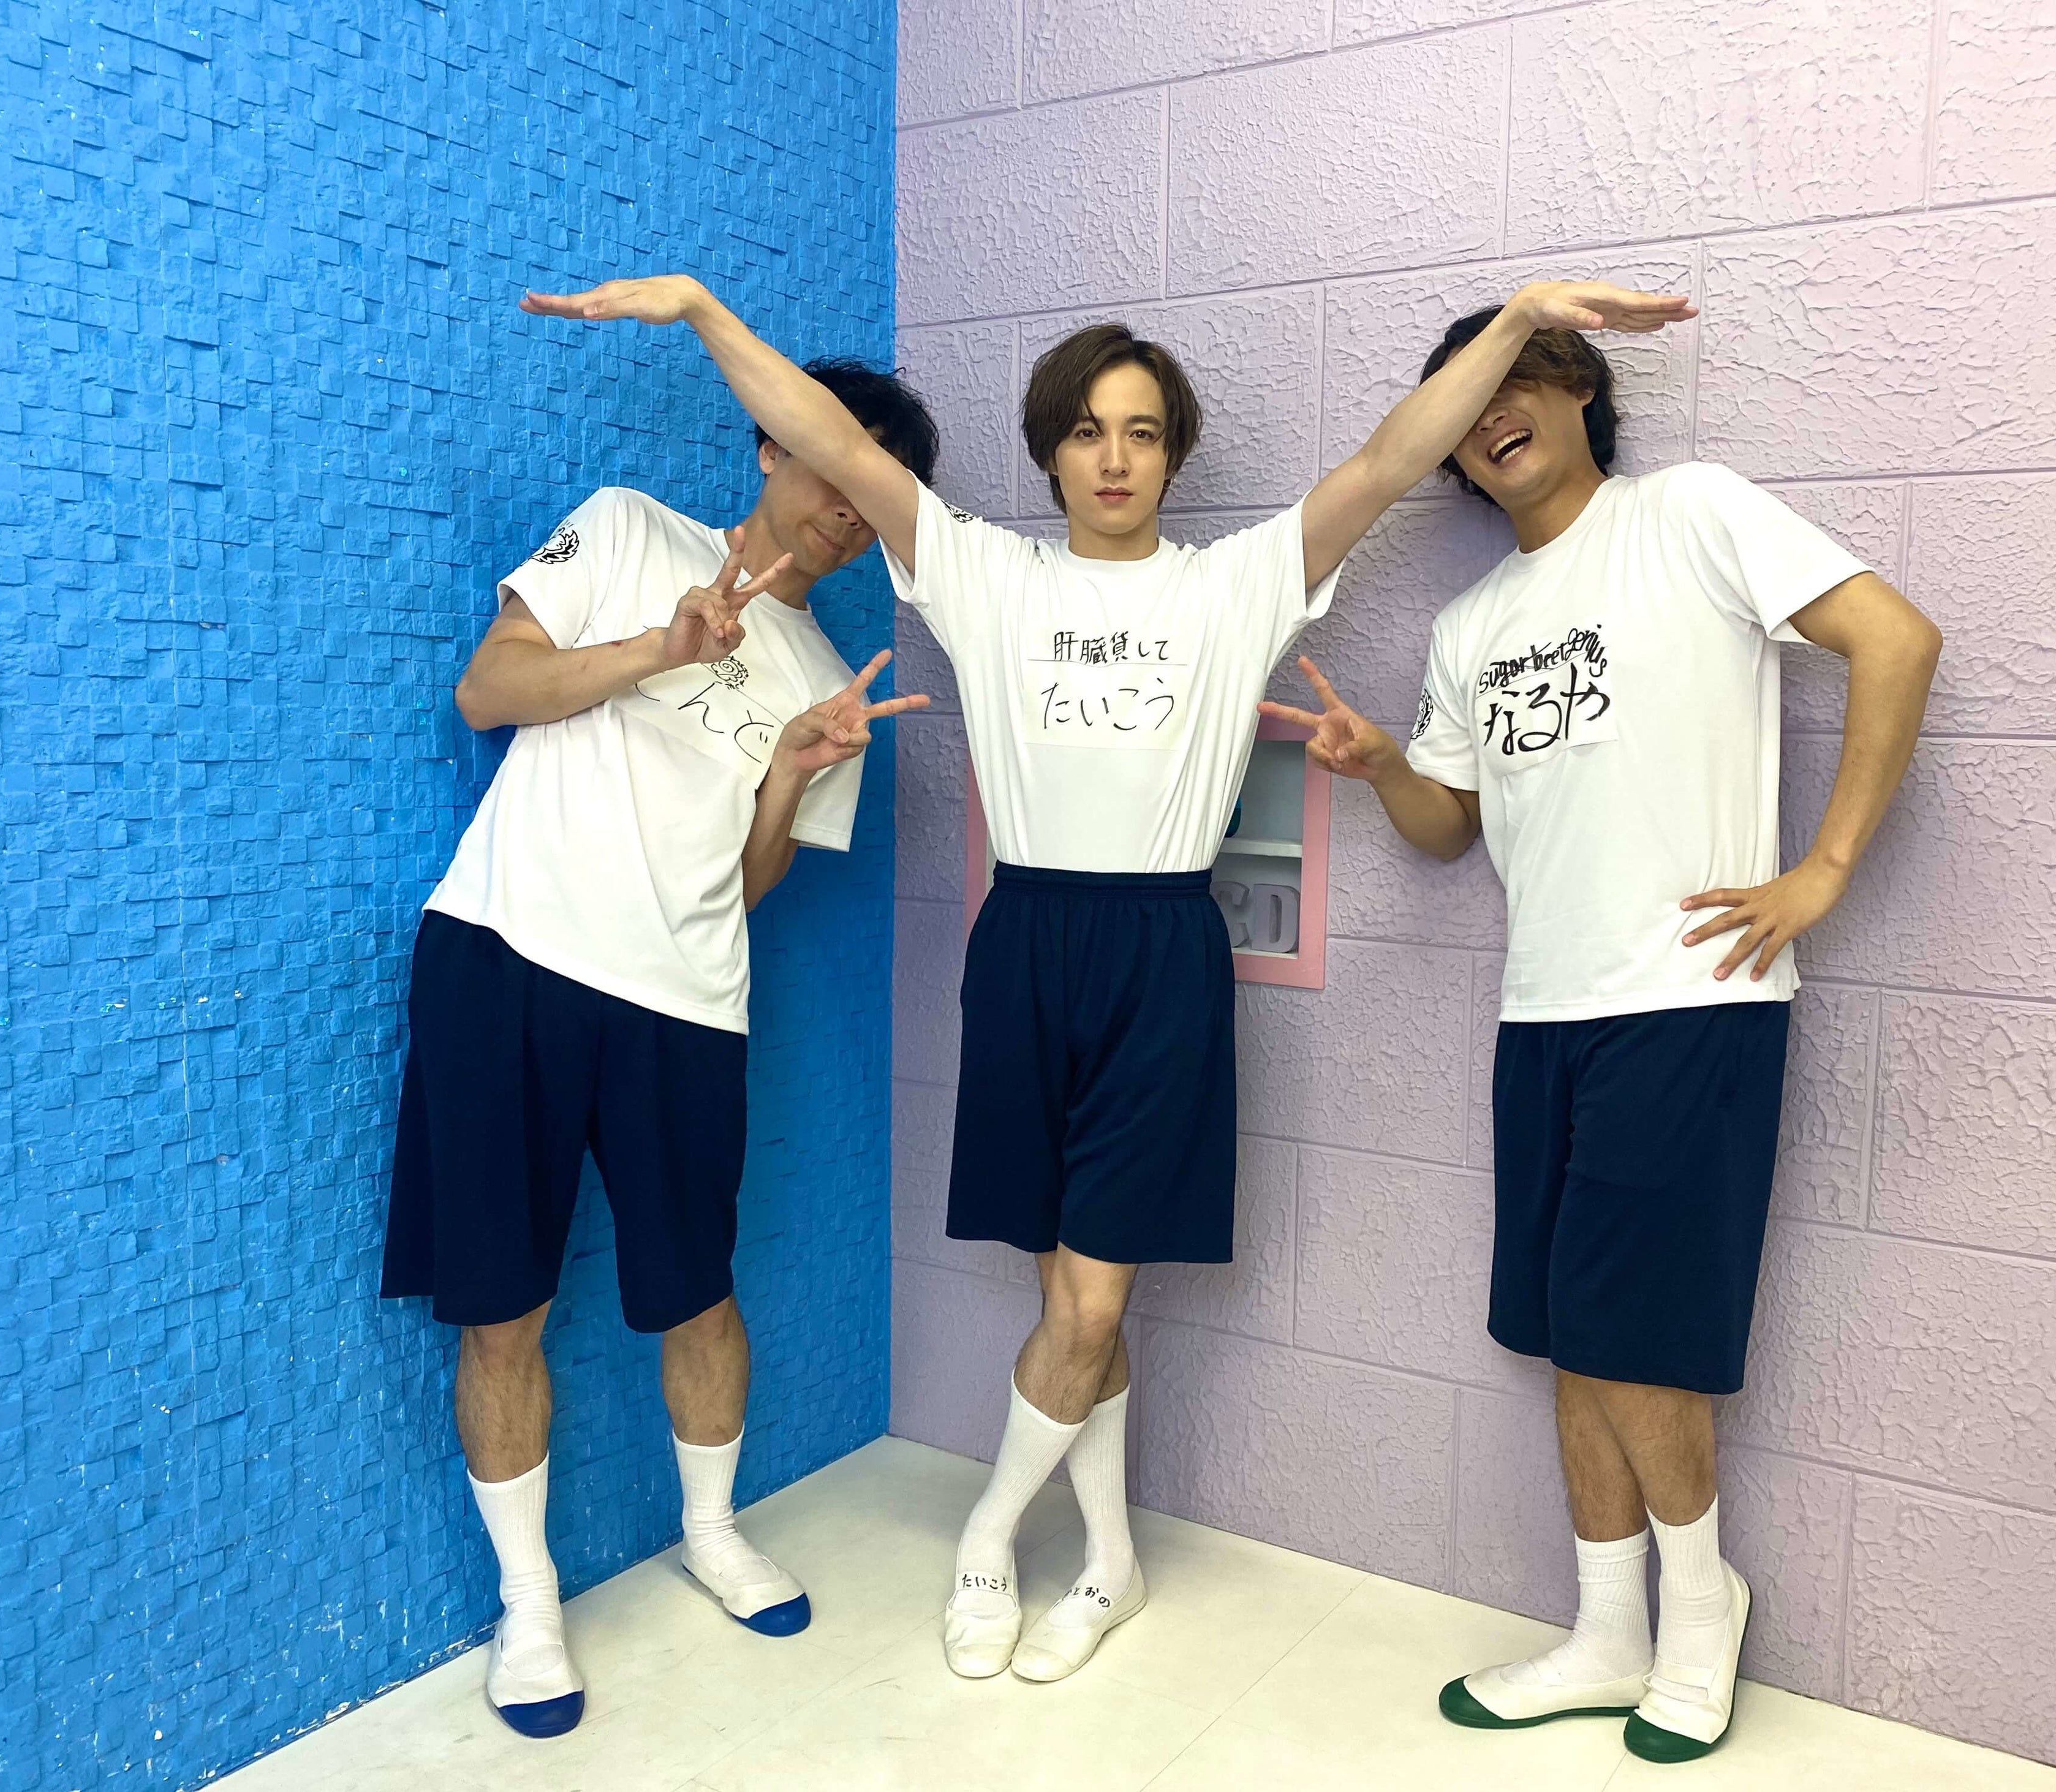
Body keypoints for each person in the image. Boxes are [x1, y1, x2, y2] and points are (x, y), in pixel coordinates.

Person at [519, 269, 1695, 1687]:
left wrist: (1515, 322)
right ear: (1051, 452)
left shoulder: (1237, 581)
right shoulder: (985, 573)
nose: (1116, 457)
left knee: (1085, 1303)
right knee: (1078, 1294)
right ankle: (1112, 1561)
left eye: (1141, 431)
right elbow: (833, 444)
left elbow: (1391, 460)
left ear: (1173, 454)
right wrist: (708, 315)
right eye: (1087, 430)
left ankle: (988, 1538)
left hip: (1160, 953)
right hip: (1024, 944)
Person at [1262, 313, 1941, 1763]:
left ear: (1578, 391)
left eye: (1519, 381)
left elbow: (1896, 637)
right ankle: (1607, 1630)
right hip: (1543, 1011)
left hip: (1690, 1001)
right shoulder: (1469, 626)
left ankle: (1702, 1613)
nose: (1492, 418)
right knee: (1572, 1328)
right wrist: (1381, 766)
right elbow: (1449, 831)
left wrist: (1822, 869)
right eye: (1465, 407)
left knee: (1635, 1333)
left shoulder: (1690, 514)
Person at [378, 356, 940, 1738]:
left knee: (699, 1289)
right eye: (832, 463)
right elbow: (486, 690)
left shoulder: (832, 685)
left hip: (687, 1002)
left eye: (875, 495)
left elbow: (747, 886)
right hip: (507, 952)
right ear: (769, 446)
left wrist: (792, 771)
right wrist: (657, 649)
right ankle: (528, 1603)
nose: (847, 509)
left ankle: (711, 1531)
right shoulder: (630, 529)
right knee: (502, 1307)